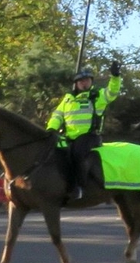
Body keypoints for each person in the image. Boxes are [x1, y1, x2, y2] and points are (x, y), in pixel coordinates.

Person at [47, 62, 122, 199]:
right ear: (76, 83)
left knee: (77, 154)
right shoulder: (68, 99)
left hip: (89, 137)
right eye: (81, 81)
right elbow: (57, 115)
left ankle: (79, 187)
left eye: (87, 80)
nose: (84, 83)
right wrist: (51, 128)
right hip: (69, 137)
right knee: (54, 153)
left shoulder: (97, 95)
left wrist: (115, 77)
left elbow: (112, 92)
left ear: (91, 82)